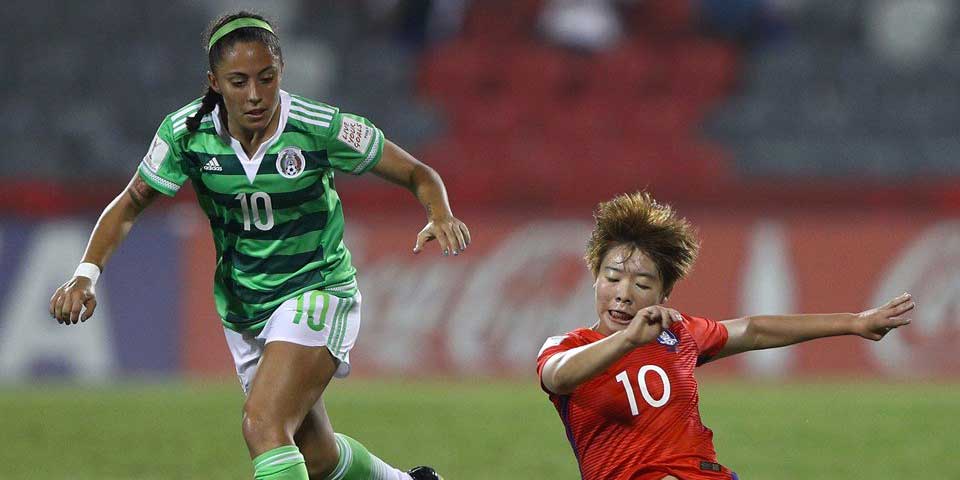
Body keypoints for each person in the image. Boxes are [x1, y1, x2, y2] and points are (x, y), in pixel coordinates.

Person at [48, 11, 468, 480]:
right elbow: (130, 204)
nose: (254, 95)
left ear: (280, 72)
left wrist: (440, 213)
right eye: (239, 81)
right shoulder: (185, 133)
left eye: (266, 78)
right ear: (214, 82)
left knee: (262, 425)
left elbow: (417, 172)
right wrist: (85, 274)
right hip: (246, 307)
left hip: (317, 290)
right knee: (316, 457)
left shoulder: (318, 126)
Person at [536, 191, 914, 480]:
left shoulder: (678, 333)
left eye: (642, 283)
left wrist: (854, 322)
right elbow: (559, 376)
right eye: (613, 278)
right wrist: (628, 340)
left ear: (664, 294)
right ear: (595, 279)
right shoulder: (569, 347)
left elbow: (752, 330)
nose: (623, 292)